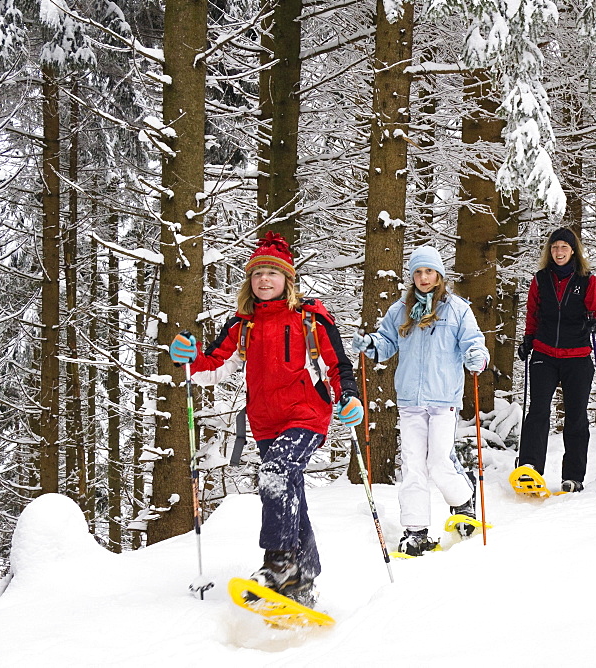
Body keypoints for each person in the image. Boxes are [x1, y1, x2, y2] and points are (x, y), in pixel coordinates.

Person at [167, 231, 362, 606]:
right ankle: (302, 580)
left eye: (272, 274)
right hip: (265, 421)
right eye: (257, 274)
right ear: (249, 281)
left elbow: (339, 364)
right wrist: (186, 356)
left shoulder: (310, 316)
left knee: (275, 473)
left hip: (306, 413)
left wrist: (349, 397)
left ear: (287, 280)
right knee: (290, 492)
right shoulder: (242, 324)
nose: (264, 280)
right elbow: (213, 367)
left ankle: (278, 564)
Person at [351, 246, 489, 556]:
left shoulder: (456, 309)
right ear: (412, 277)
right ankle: (415, 531)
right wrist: (369, 344)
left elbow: (473, 342)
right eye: (418, 272)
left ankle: (463, 504)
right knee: (413, 465)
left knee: (438, 461)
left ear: (439, 275)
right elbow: (385, 344)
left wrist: (476, 357)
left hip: (443, 398)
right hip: (410, 400)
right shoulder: (400, 310)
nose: (424, 277)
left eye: (429, 271)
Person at [516, 226, 596, 493]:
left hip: (577, 357)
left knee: (576, 417)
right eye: (555, 247)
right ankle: (530, 469)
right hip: (544, 353)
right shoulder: (541, 279)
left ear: (573, 251)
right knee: (538, 412)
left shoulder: (586, 280)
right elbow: (532, 313)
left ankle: (573, 477)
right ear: (550, 251)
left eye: (564, 247)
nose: (559, 252)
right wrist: (528, 339)